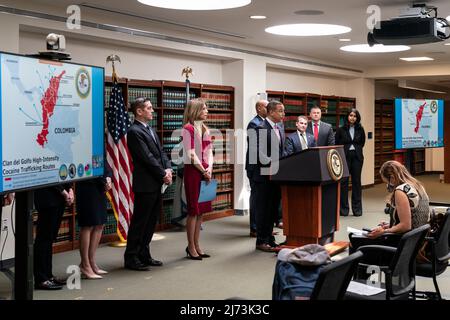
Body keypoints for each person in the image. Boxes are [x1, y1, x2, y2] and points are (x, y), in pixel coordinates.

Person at [125, 97, 172, 271]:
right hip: (145, 184)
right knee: (140, 222)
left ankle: (144, 254)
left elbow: (161, 153)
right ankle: (131, 257)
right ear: (139, 111)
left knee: (151, 222)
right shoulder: (134, 131)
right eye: (149, 108)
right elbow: (147, 158)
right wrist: (163, 174)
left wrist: (168, 169)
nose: (153, 111)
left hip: (156, 182)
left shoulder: (149, 129)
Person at [349, 160, 431, 255]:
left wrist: (384, 231)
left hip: (404, 245)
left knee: (354, 241)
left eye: (387, 182)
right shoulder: (417, 185)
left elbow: (406, 226)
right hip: (418, 240)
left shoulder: (401, 191)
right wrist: (392, 223)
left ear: (392, 178)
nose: (388, 186)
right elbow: (413, 217)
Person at [182, 98, 214, 260]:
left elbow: (209, 152)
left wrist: (209, 168)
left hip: (205, 171)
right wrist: (203, 170)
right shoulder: (188, 129)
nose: (207, 111)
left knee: (201, 211)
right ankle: (191, 247)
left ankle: (197, 244)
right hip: (194, 172)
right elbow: (191, 154)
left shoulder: (205, 129)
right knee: (193, 210)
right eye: (204, 109)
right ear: (195, 111)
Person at [253, 100, 285, 252]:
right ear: (271, 112)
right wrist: (273, 166)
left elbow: (281, 151)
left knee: (272, 210)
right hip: (264, 176)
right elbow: (258, 154)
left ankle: (270, 239)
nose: (283, 114)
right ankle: (261, 241)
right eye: (280, 111)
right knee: (263, 210)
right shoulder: (260, 128)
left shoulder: (279, 127)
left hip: (276, 176)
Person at [33, 184, 74, 290]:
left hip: (59, 198)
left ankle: (48, 275)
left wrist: (70, 189)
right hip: (47, 198)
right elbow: (48, 172)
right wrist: (63, 191)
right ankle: (41, 279)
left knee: (50, 239)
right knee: (43, 239)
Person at [76, 171, 112, 279]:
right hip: (87, 185)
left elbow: (104, 162)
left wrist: (109, 177)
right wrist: (104, 180)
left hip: (100, 187)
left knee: (100, 224)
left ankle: (91, 262)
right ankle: (85, 264)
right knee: (88, 225)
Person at [335, 109, 365, 217]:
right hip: (344, 157)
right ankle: (344, 210)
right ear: (347, 116)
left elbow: (362, 142)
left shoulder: (360, 129)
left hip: (357, 158)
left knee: (357, 183)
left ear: (357, 118)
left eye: (355, 116)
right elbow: (337, 142)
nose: (352, 117)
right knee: (344, 183)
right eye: (351, 115)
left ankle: (357, 210)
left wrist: (355, 149)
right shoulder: (341, 129)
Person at [245, 99, 268, 237]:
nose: (269, 109)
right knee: (256, 198)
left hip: (264, 165)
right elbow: (255, 147)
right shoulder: (254, 124)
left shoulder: (266, 123)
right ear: (259, 108)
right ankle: (254, 228)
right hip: (255, 166)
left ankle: (262, 226)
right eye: (266, 107)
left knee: (264, 199)